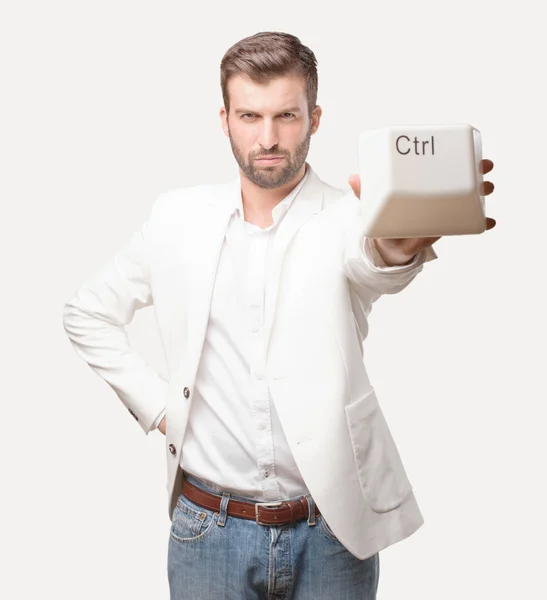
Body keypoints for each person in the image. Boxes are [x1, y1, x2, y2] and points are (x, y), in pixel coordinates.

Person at [63, 31, 496, 600]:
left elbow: (374, 264)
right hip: (207, 529)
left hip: (331, 532)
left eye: (286, 116)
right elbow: (87, 313)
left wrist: (399, 245)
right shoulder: (175, 219)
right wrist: (161, 407)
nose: (268, 137)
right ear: (224, 119)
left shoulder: (350, 217)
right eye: (250, 115)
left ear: (315, 117)